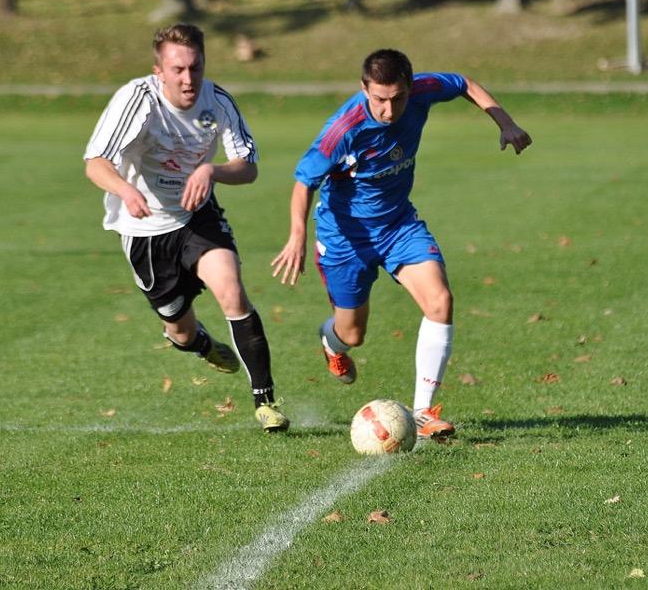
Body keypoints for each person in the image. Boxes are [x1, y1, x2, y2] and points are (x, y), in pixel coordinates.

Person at [271, 49, 531, 439]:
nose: (389, 110)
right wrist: (297, 236)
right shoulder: (344, 129)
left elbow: (464, 83)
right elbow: (304, 182)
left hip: (398, 226)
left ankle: (424, 412)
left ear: (411, 88)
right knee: (352, 333)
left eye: (398, 99)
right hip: (346, 238)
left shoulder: (424, 89)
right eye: (379, 99)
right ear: (364, 89)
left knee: (440, 301)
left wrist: (505, 122)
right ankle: (331, 343)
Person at [83, 23, 288, 432]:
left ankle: (266, 402)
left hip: (197, 217)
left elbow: (247, 168)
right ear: (159, 70)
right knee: (178, 328)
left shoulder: (218, 101)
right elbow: (96, 163)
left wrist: (211, 170)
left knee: (232, 291)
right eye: (177, 69)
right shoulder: (137, 100)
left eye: (195, 67)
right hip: (144, 231)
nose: (188, 78)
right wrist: (125, 190)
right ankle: (201, 345)